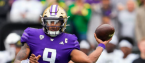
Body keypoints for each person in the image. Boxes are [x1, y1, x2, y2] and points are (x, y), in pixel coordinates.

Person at [14, 5, 112, 63]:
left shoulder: (69, 40)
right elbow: (18, 60)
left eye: (56, 22)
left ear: (63, 23)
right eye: (49, 21)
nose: (52, 25)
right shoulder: (33, 34)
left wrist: (101, 45)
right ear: (44, 22)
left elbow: (89, 60)